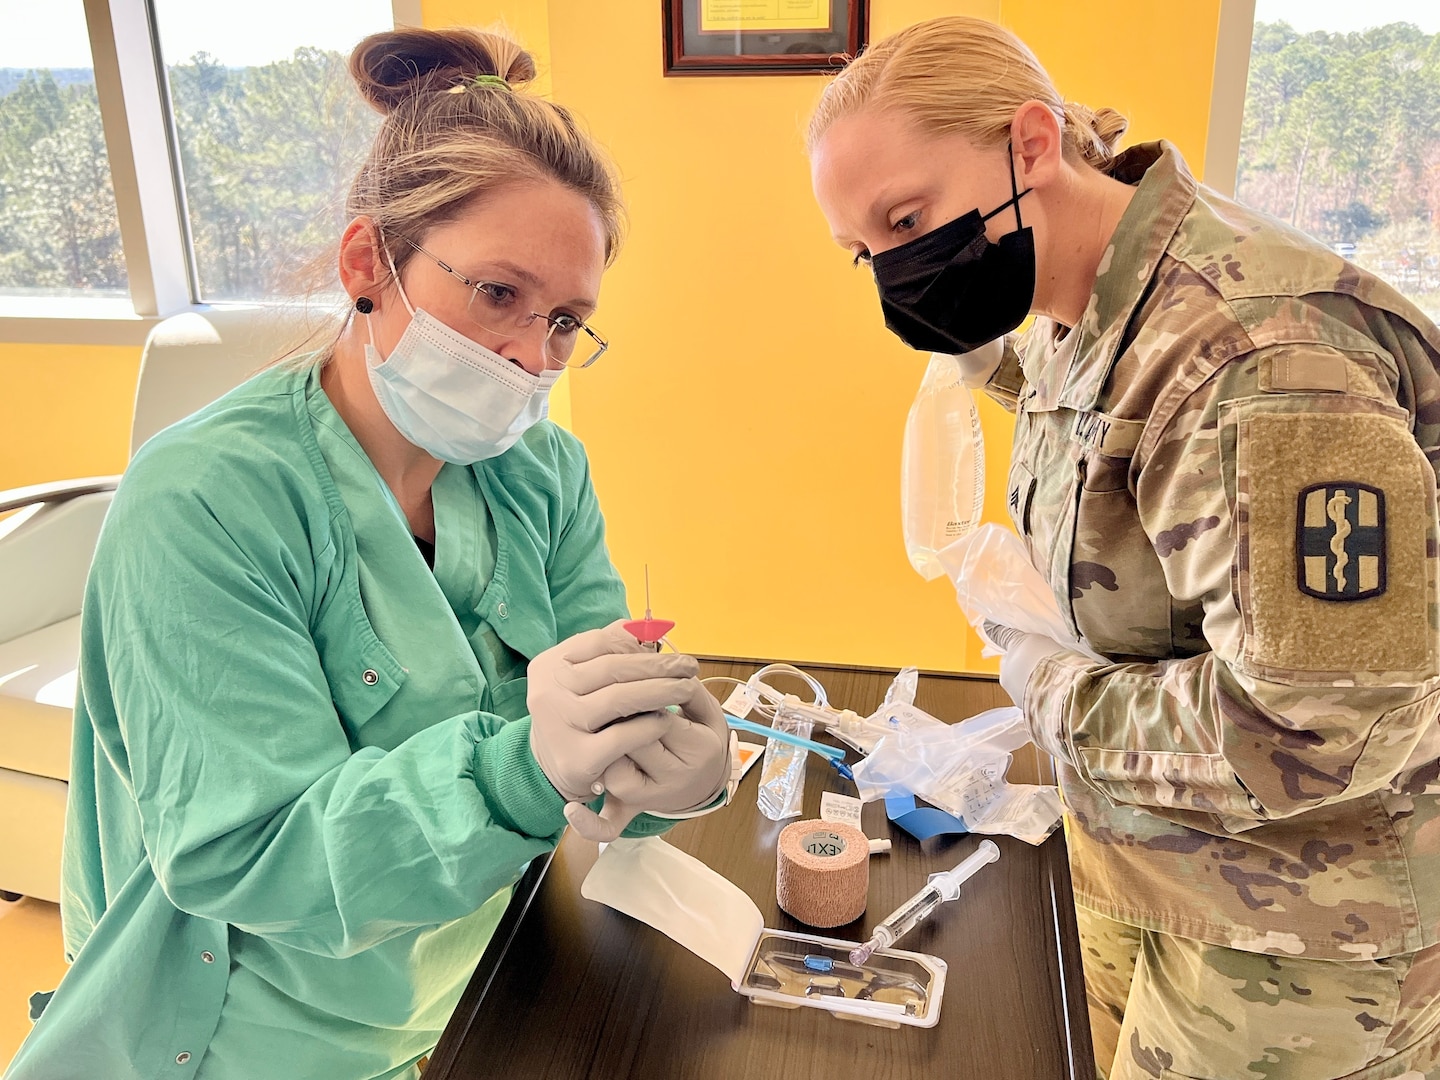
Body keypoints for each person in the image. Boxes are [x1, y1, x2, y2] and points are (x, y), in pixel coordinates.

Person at [5, 26, 731, 1080]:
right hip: (244, 1029)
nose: (533, 356)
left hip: (476, 979)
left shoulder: (544, 475)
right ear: (367, 264)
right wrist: (526, 768)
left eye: (567, 321)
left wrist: (670, 772)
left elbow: (602, 736)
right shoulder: (205, 503)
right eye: (496, 294)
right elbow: (253, 856)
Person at [807, 16, 1440, 1080]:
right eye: (863, 251)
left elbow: (1325, 722)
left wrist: (1047, 686)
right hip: (1152, 858)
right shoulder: (1076, 310)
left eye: (907, 218)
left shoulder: (1259, 355)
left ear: (1034, 144)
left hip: (1304, 928)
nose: (895, 272)